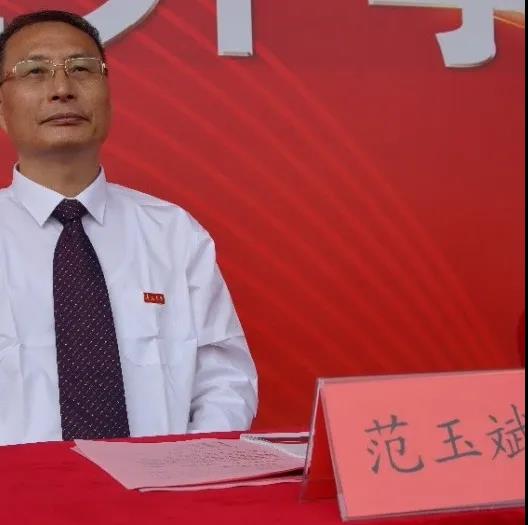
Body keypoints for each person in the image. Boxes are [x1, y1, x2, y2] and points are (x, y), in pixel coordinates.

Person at [0, 10, 258, 447]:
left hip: (163, 485)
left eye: (82, 69)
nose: (62, 89)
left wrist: (186, 470)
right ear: (2, 110)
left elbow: (224, 380)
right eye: (35, 71)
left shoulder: (173, 234)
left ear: (109, 96)